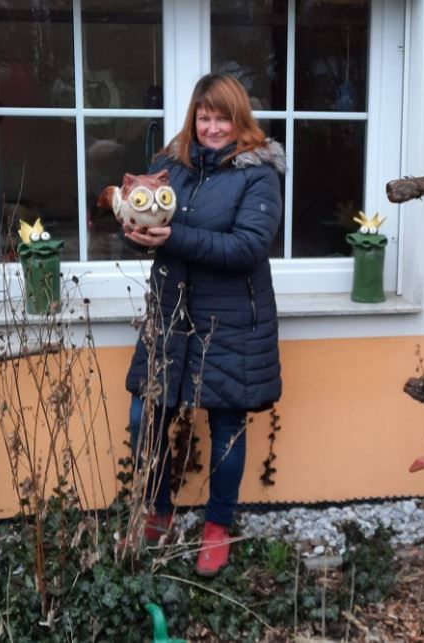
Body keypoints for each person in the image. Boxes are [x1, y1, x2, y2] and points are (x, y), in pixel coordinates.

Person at [123, 73, 285, 577]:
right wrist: (135, 230)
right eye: (204, 117)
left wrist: (171, 238)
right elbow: (151, 227)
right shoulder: (171, 167)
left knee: (227, 427)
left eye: (223, 118)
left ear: (240, 121)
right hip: (171, 315)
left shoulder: (259, 174)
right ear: (193, 118)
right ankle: (159, 511)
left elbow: (247, 247)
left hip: (232, 321)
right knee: (145, 416)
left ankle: (217, 527)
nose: (212, 128)